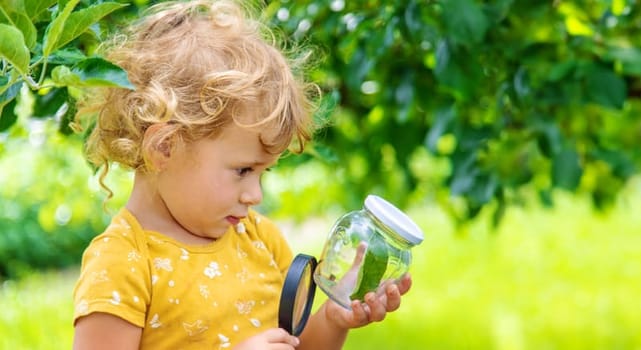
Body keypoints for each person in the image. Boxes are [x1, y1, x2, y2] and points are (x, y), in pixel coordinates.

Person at [70, 1, 411, 348]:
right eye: (243, 170)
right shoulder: (123, 263)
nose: (255, 195)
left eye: (262, 173)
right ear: (165, 148)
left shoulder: (260, 240)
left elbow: (294, 343)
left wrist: (334, 319)